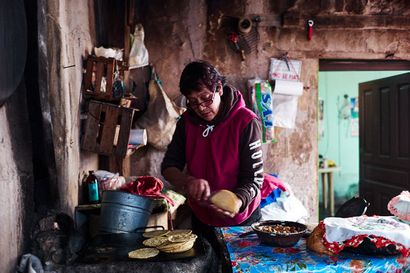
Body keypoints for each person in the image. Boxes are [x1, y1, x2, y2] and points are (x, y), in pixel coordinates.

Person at [161, 60, 264, 231]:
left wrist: (237, 202)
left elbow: (254, 179)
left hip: (241, 220)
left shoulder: (246, 121)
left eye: (206, 98)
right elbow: (169, 166)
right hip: (202, 217)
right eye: (193, 102)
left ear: (219, 89)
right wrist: (187, 181)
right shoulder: (186, 123)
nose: (200, 107)